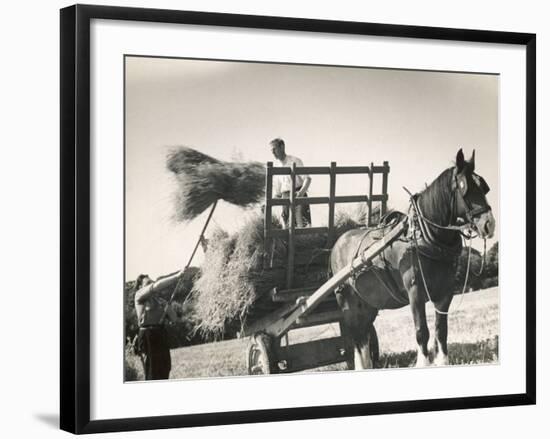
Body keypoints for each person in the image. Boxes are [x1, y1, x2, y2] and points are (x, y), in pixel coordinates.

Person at [134, 271, 182, 380]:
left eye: (151, 282)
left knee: (165, 368)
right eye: (147, 283)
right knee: (152, 371)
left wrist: (167, 307)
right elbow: (156, 286)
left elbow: (174, 318)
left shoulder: (160, 301)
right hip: (148, 336)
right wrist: (177, 276)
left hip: (160, 334)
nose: (151, 284)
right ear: (141, 287)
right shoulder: (139, 297)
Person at [270, 137, 312, 228]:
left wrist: (301, 193)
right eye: (271, 150)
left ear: (282, 147)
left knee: (304, 229)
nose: (273, 152)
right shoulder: (277, 169)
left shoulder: (295, 161)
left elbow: (307, 179)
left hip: (298, 195)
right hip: (285, 199)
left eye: (274, 149)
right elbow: (277, 194)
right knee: (288, 230)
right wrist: (268, 204)